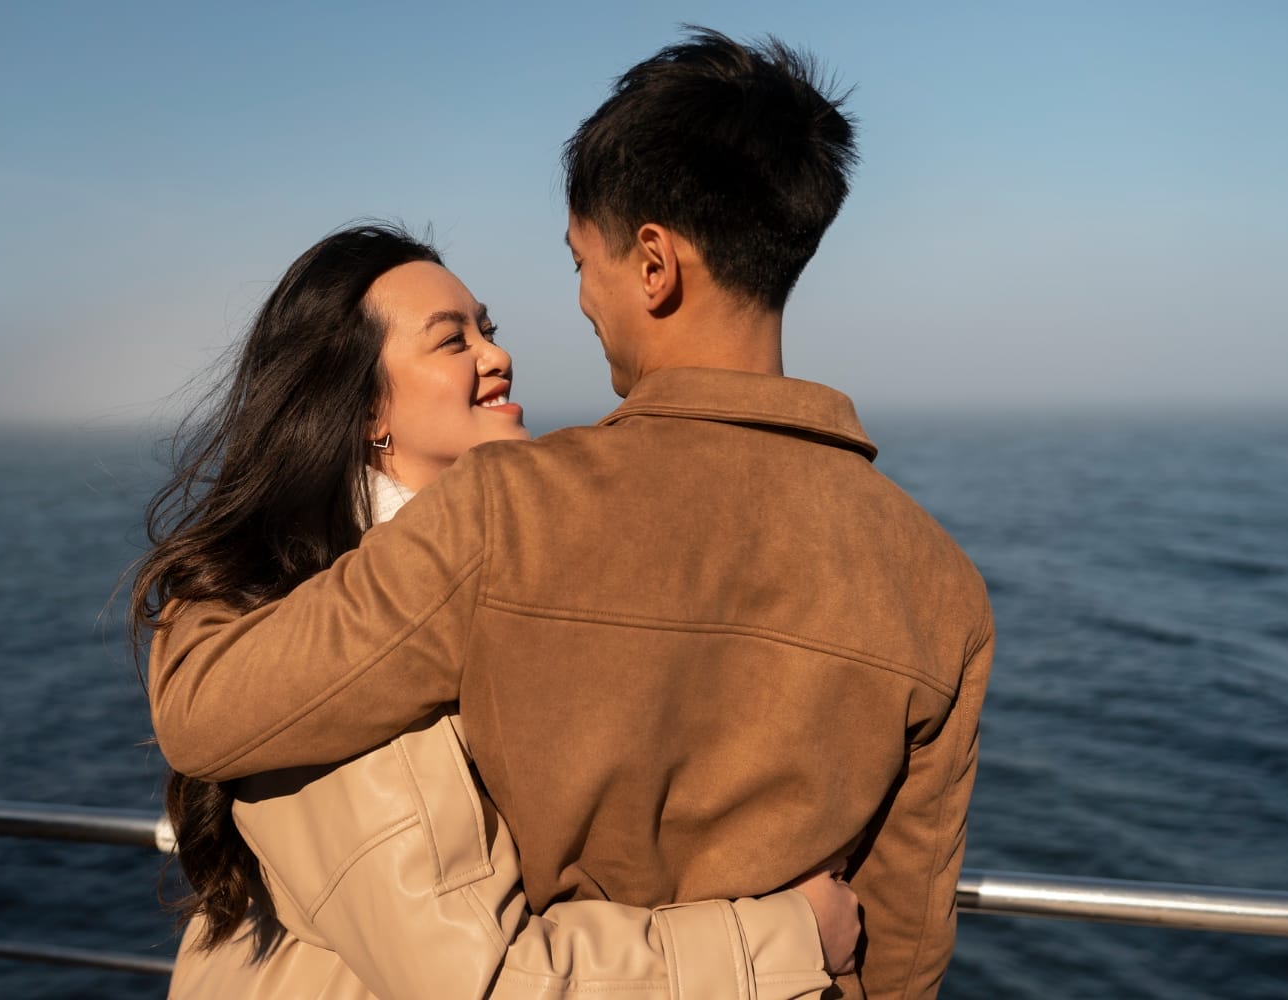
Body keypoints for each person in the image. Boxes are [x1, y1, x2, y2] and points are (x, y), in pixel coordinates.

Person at [150, 28, 993, 1000]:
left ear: (653, 264)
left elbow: (210, 711)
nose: (580, 301)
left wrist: (218, 568)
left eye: (579, 257)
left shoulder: (506, 513)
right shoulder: (941, 585)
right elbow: (901, 952)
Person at [132, 224, 859, 999]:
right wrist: (789, 936)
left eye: (488, 328)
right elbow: (483, 980)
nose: (496, 354)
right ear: (366, 409)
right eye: (452, 342)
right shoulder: (336, 651)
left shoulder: (459, 587)